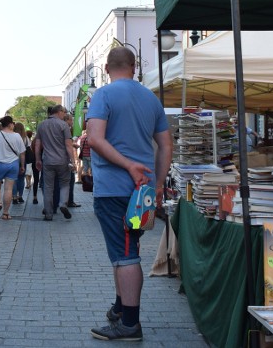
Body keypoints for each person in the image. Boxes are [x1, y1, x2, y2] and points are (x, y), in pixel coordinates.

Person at [86, 47, 172, 341]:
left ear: (107, 69)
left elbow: (95, 139)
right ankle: (121, 308)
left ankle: (130, 324)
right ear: (134, 67)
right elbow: (165, 146)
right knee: (125, 249)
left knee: (125, 254)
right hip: (144, 191)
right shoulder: (152, 99)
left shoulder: (104, 95)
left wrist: (127, 165)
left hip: (114, 189)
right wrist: (158, 184)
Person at [33, 104, 77, 221]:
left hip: (47, 161)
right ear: (59, 112)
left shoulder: (42, 125)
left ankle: (48, 213)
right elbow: (68, 145)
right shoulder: (63, 125)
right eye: (64, 112)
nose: (64, 114)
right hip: (62, 161)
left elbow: (37, 145)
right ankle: (63, 204)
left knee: (48, 187)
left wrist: (37, 159)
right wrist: (73, 161)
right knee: (64, 184)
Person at [13, 122, 31, 202]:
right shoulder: (25, 138)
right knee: (21, 179)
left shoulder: (12, 136)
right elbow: (29, 148)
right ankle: (20, 196)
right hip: (22, 160)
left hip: (12, 160)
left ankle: (14, 197)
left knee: (13, 179)